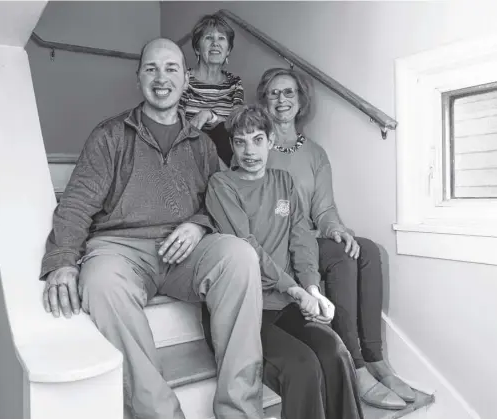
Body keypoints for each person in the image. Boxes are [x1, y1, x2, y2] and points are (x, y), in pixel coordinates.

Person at [39, 38, 265, 419]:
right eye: (152, 69)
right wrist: (62, 259)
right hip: (122, 249)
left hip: (185, 249)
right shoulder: (109, 135)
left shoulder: (203, 145)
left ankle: (240, 410)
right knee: (99, 280)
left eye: (172, 68)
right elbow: (76, 202)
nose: (162, 78)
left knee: (241, 257)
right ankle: (158, 413)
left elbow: (224, 201)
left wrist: (198, 224)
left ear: (185, 80)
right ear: (138, 77)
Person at [257, 67, 415, 410]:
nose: (281, 100)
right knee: (341, 259)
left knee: (367, 250)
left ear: (301, 102)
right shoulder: (257, 146)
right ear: (264, 102)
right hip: (279, 242)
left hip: (310, 235)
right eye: (273, 93)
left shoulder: (315, 153)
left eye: (289, 93)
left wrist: (338, 230)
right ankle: (354, 368)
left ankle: (377, 360)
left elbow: (324, 209)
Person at [204, 104, 364, 419]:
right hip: (243, 310)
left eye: (257, 139)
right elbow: (246, 246)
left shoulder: (284, 182)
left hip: (286, 303)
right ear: (232, 145)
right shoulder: (222, 186)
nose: (249, 150)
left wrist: (313, 288)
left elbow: (301, 236)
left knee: (336, 353)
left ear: (271, 140)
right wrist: (295, 290)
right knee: (302, 366)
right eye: (240, 141)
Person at [180, 14, 244, 166]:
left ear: (228, 50)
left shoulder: (234, 83)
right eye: (208, 38)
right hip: (189, 156)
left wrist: (209, 116)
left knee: (224, 131)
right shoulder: (183, 79)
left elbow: (239, 124)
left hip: (225, 158)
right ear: (197, 48)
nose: (215, 43)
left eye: (221, 38)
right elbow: (174, 124)